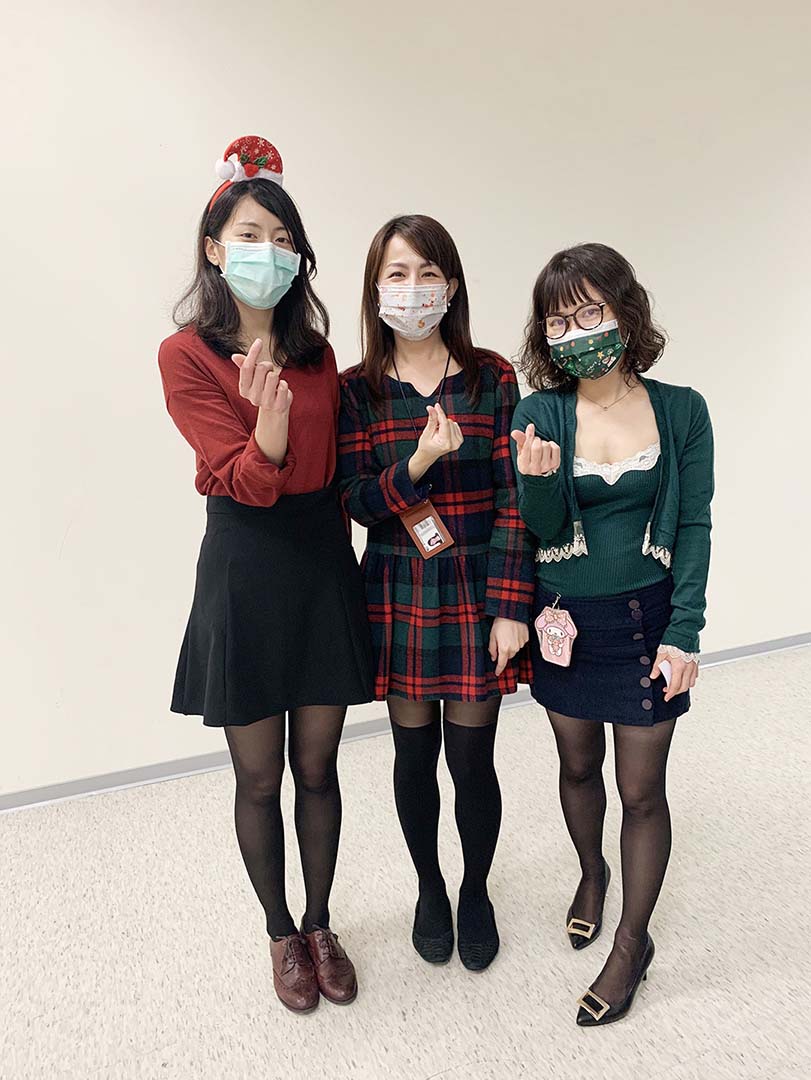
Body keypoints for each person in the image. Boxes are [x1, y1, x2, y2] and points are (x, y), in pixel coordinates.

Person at [158, 136, 374, 1014]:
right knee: (258, 777)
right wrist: (269, 429)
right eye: (251, 235)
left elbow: (344, 469)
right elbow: (241, 480)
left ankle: (320, 923)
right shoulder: (185, 355)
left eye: (284, 240)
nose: (270, 253)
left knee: (317, 767)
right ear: (215, 247)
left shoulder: (316, 353)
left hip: (321, 561)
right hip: (244, 563)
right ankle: (281, 934)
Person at [511, 243, 713, 1026]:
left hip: (645, 624)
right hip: (564, 622)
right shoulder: (539, 412)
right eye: (557, 320)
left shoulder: (682, 409)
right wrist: (536, 480)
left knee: (640, 790)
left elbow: (691, 525)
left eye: (588, 312)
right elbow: (540, 529)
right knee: (575, 764)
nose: (575, 332)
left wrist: (683, 630)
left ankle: (631, 942)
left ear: (625, 313)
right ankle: (591, 874)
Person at [338, 215, 535, 971]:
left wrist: (510, 606)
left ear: (450, 286)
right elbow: (356, 502)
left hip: (478, 585)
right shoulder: (357, 391)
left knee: (472, 760)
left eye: (427, 273)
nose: (412, 288)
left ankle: (475, 889)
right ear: (375, 288)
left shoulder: (493, 377)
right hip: (398, 586)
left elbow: (514, 497)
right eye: (397, 273)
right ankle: (429, 887)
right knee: (412, 757)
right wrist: (416, 464)